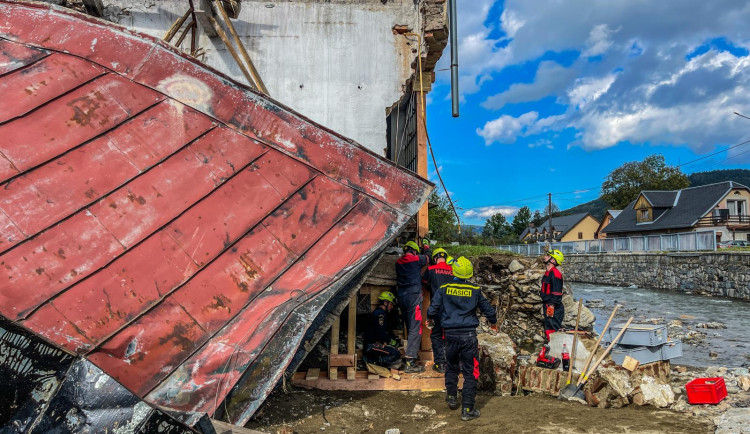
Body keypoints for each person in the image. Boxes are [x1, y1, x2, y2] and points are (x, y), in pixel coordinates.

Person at [427, 256, 498, 421]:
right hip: (468, 336)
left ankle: (452, 397)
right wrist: (493, 323)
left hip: (450, 335)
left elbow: (433, 309)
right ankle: (467, 409)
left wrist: (430, 319)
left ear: (454, 271)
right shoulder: (475, 290)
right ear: (469, 274)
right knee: (470, 372)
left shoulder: (444, 288)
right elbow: (488, 311)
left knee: (451, 367)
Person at [395, 240, 430, 373]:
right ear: (415, 251)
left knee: (409, 326)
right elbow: (428, 257)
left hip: (401, 296)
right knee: (416, 328)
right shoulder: (416, 259)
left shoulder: (398, 262)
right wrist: (426, 246)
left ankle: (411, 354)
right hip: (413, 297)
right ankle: (410, 362)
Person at [422, 247, 453, 373]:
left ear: (435, 258)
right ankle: (451, 363)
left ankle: (440, 364)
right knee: (451, 335)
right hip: (451, 309)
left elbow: (424, 282)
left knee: (436, 335)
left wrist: (431, 287)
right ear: (445, 257)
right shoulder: (453, 271)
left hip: (437, 308)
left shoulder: (431, 269)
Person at [363, 291, 402, 369]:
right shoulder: (379, 315)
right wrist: (392, 342)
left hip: (374, 344)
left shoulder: (382, 313)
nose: (392, 307)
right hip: (371, 346)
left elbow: (386, 331)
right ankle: (374, 362)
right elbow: (381, 333)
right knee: (396, 354)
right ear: (385, 303)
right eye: (391, 304)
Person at [540, 249, 565, 341]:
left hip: (554, 307)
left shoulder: (555, 274)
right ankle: (551, 350)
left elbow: (557, 292)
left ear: (553, 260)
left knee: (553, 328)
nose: (545, 257)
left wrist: (551, 307)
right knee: (548, 327)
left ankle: (556, 351)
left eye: (548, 255)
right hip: (548, 304)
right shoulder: (548, 273)